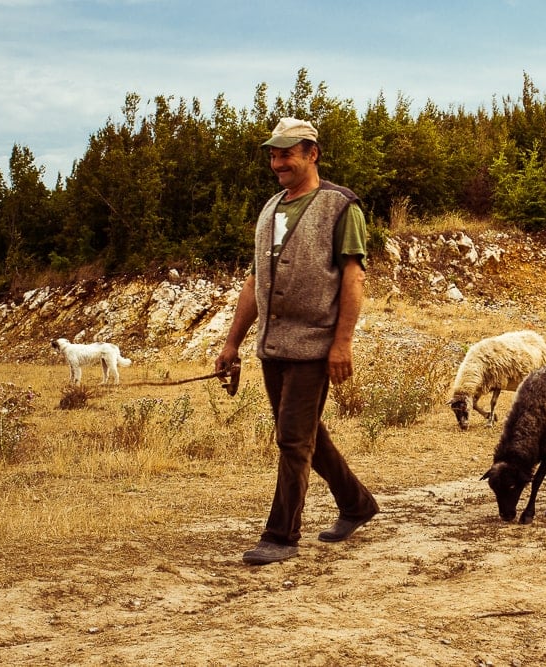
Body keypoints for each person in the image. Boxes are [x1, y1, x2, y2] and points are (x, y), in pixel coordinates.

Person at [216, 117, 379, 566]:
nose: (277, 163)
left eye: (286, 154)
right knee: (306, 436)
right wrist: (232, 343)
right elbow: (255, 282)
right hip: (274, 347)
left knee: (292, 440)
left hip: (313, 346)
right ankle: (357, 504)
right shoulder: (269, 209)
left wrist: (342, 343)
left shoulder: (341, 207)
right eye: (273, 155)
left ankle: (281, 536)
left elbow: (353, 277)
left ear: (312, 154)